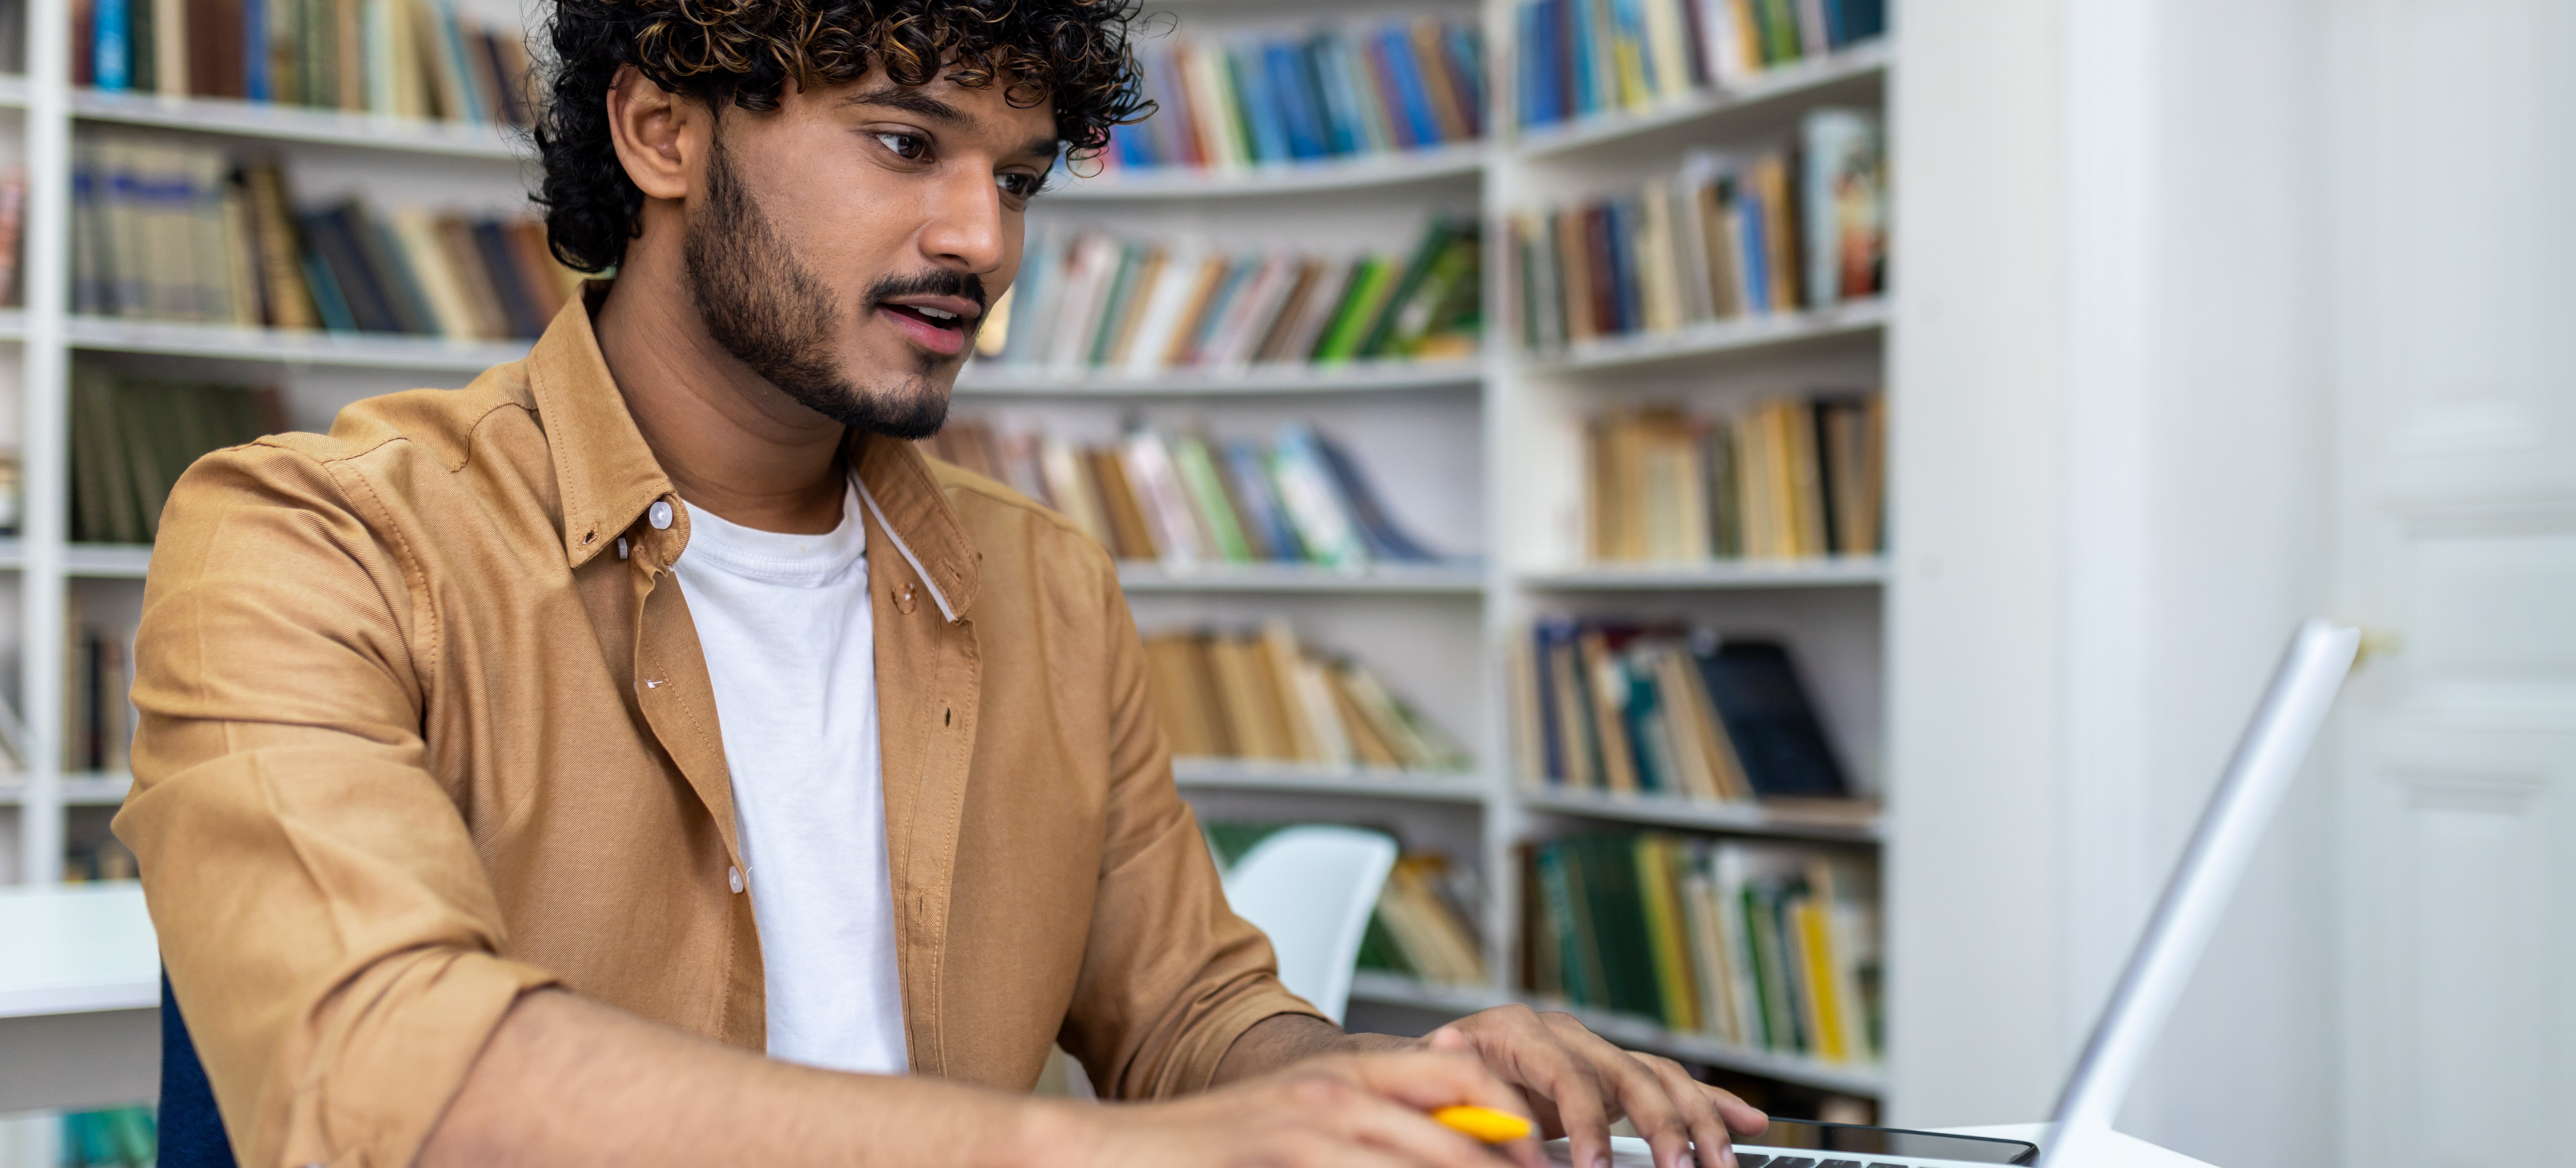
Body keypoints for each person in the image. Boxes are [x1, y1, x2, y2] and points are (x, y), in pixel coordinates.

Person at [115, 1, 1770, 1165]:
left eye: (1021, 175)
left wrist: (1390, 1087)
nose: (983, 239)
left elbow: (1195, 1022)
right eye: (907, 141)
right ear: (659, 128)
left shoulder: (1041, 578)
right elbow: (390, 1082)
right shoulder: (310, 537)